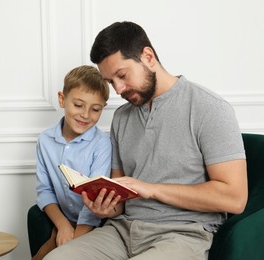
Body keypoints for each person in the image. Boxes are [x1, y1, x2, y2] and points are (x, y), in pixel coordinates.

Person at [44, 21, 248, 260]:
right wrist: (104, 207)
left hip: (181, 234)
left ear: (148, 57)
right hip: (121, 231)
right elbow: (119, 201)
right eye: (111, 82)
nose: (118, 90)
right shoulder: (122, 117)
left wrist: (151, 190)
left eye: (121, 75)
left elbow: (234, 198)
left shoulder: (209, 108)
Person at [34, 65, 111, 259]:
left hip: (95, 226)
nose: (85, 115)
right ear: (62, 99)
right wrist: (62, 226)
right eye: (78, 105)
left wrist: (76, 236)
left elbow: (96, 197)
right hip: (65, 222)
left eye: (95, 109)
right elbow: (45, 191)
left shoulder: (102, 144)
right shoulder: (45, 141)